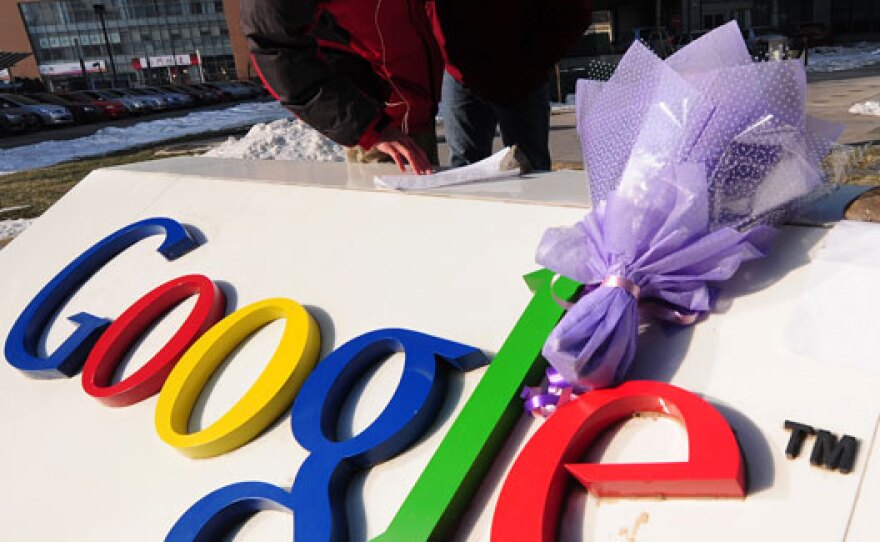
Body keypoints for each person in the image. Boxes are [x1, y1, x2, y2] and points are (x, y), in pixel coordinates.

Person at [240, 0, 442, 174]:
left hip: (416, 108)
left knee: (430, 212)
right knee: (387, 214)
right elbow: (274, 45)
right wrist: (366, 125)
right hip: (375, 120)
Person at [430, 1, 592, 170]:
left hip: (522, 79)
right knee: (464, 172)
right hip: (462, 71)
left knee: (530, 171)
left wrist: (532, 60)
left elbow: (575, 12)